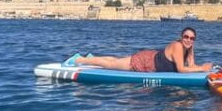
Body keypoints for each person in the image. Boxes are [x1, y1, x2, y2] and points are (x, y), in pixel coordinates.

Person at [72, 27, 212, 73]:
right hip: (145, 61)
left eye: (191, 38)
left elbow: (192, 65)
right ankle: (79, 59)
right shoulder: (177, 46)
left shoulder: (189, 48)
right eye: (186, 37)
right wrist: (202, 68)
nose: (188, 40)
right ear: (181, 37)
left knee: (115, 61)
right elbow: (181, 69)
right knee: (111, 65)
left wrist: (203, 67)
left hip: (151, 57)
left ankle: (91, 57)